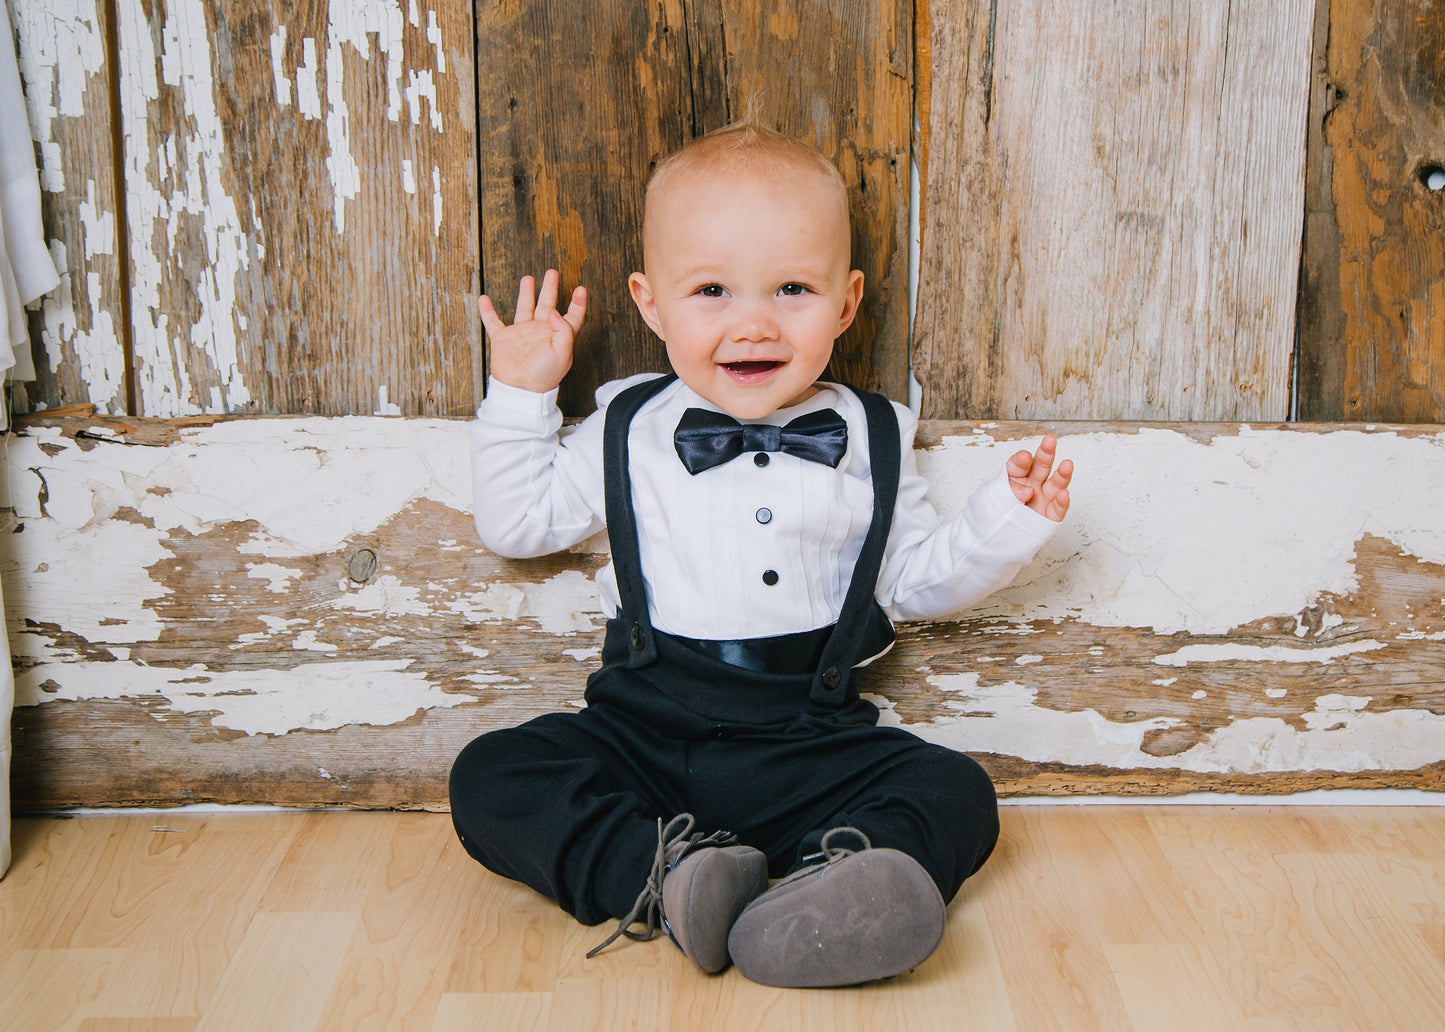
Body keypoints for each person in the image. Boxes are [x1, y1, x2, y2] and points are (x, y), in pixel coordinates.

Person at [449, 122, 1073, 989]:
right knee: (493, 775)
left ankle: (836, 888)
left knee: (954, 789)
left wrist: (1006, 519)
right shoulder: (626, 428)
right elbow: (516, 523)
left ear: (845, 302)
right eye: (710, 290)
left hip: (811, 748)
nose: (752, 322)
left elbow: (914, 583)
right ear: (649, 301)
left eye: (791, 289)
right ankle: (669, 876)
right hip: (641, 739)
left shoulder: (869, 436)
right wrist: (521, 392)